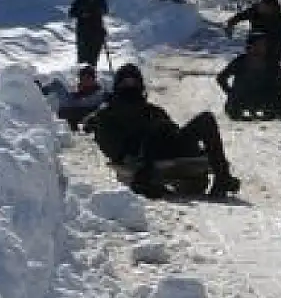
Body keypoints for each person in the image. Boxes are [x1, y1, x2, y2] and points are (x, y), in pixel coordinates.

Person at [83, 63, 241, 198]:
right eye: (126, 83)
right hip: (142, 155)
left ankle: (222, 178)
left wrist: (194, 150)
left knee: (206, 119)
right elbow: (112, 145)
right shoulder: (108, 113)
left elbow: (171, 129)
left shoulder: (152, 110)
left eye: (133, 83)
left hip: (168, 147)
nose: (130, 87)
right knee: (153, 130)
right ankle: (150, 178)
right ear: (118, 86)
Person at [216, 31, 281, 120]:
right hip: (243, 97)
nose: (261, 48)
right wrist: (231, 93)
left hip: (264, 96)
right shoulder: (240, 61)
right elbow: (221, 78)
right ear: (249, 47)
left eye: (263, 45)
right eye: (257, 45)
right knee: (233, 112)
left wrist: (277, 94)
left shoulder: (270, 62)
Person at [224, 0, 281, 64]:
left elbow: (279, 41)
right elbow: (240, 16)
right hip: (255, 38)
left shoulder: (280, 20)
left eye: (266, 7)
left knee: (271, 59)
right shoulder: (254, 11)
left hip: (272, 43)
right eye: (262, 6)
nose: (262, 8)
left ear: (272, 8)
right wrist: (230, 25)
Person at [68, 0, 109, 68]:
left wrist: (100, 11)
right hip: (83, 33)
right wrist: (81, 14)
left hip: (97, 32)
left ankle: (92, 79)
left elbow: (105, 11)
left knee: (93, 60)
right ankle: (83, 79)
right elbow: (71, 13)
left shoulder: (101, 0)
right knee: (83, 60)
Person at [52, 65, 105, 131]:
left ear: (93, 78)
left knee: (68, 111)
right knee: (57, 84)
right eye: (82, 78)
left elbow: (92, 103)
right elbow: (78, 98)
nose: (84, 80)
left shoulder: (98, 92)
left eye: (88, 78)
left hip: (88, 112)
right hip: (75, 110)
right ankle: (38, 93)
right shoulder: (82, 89)